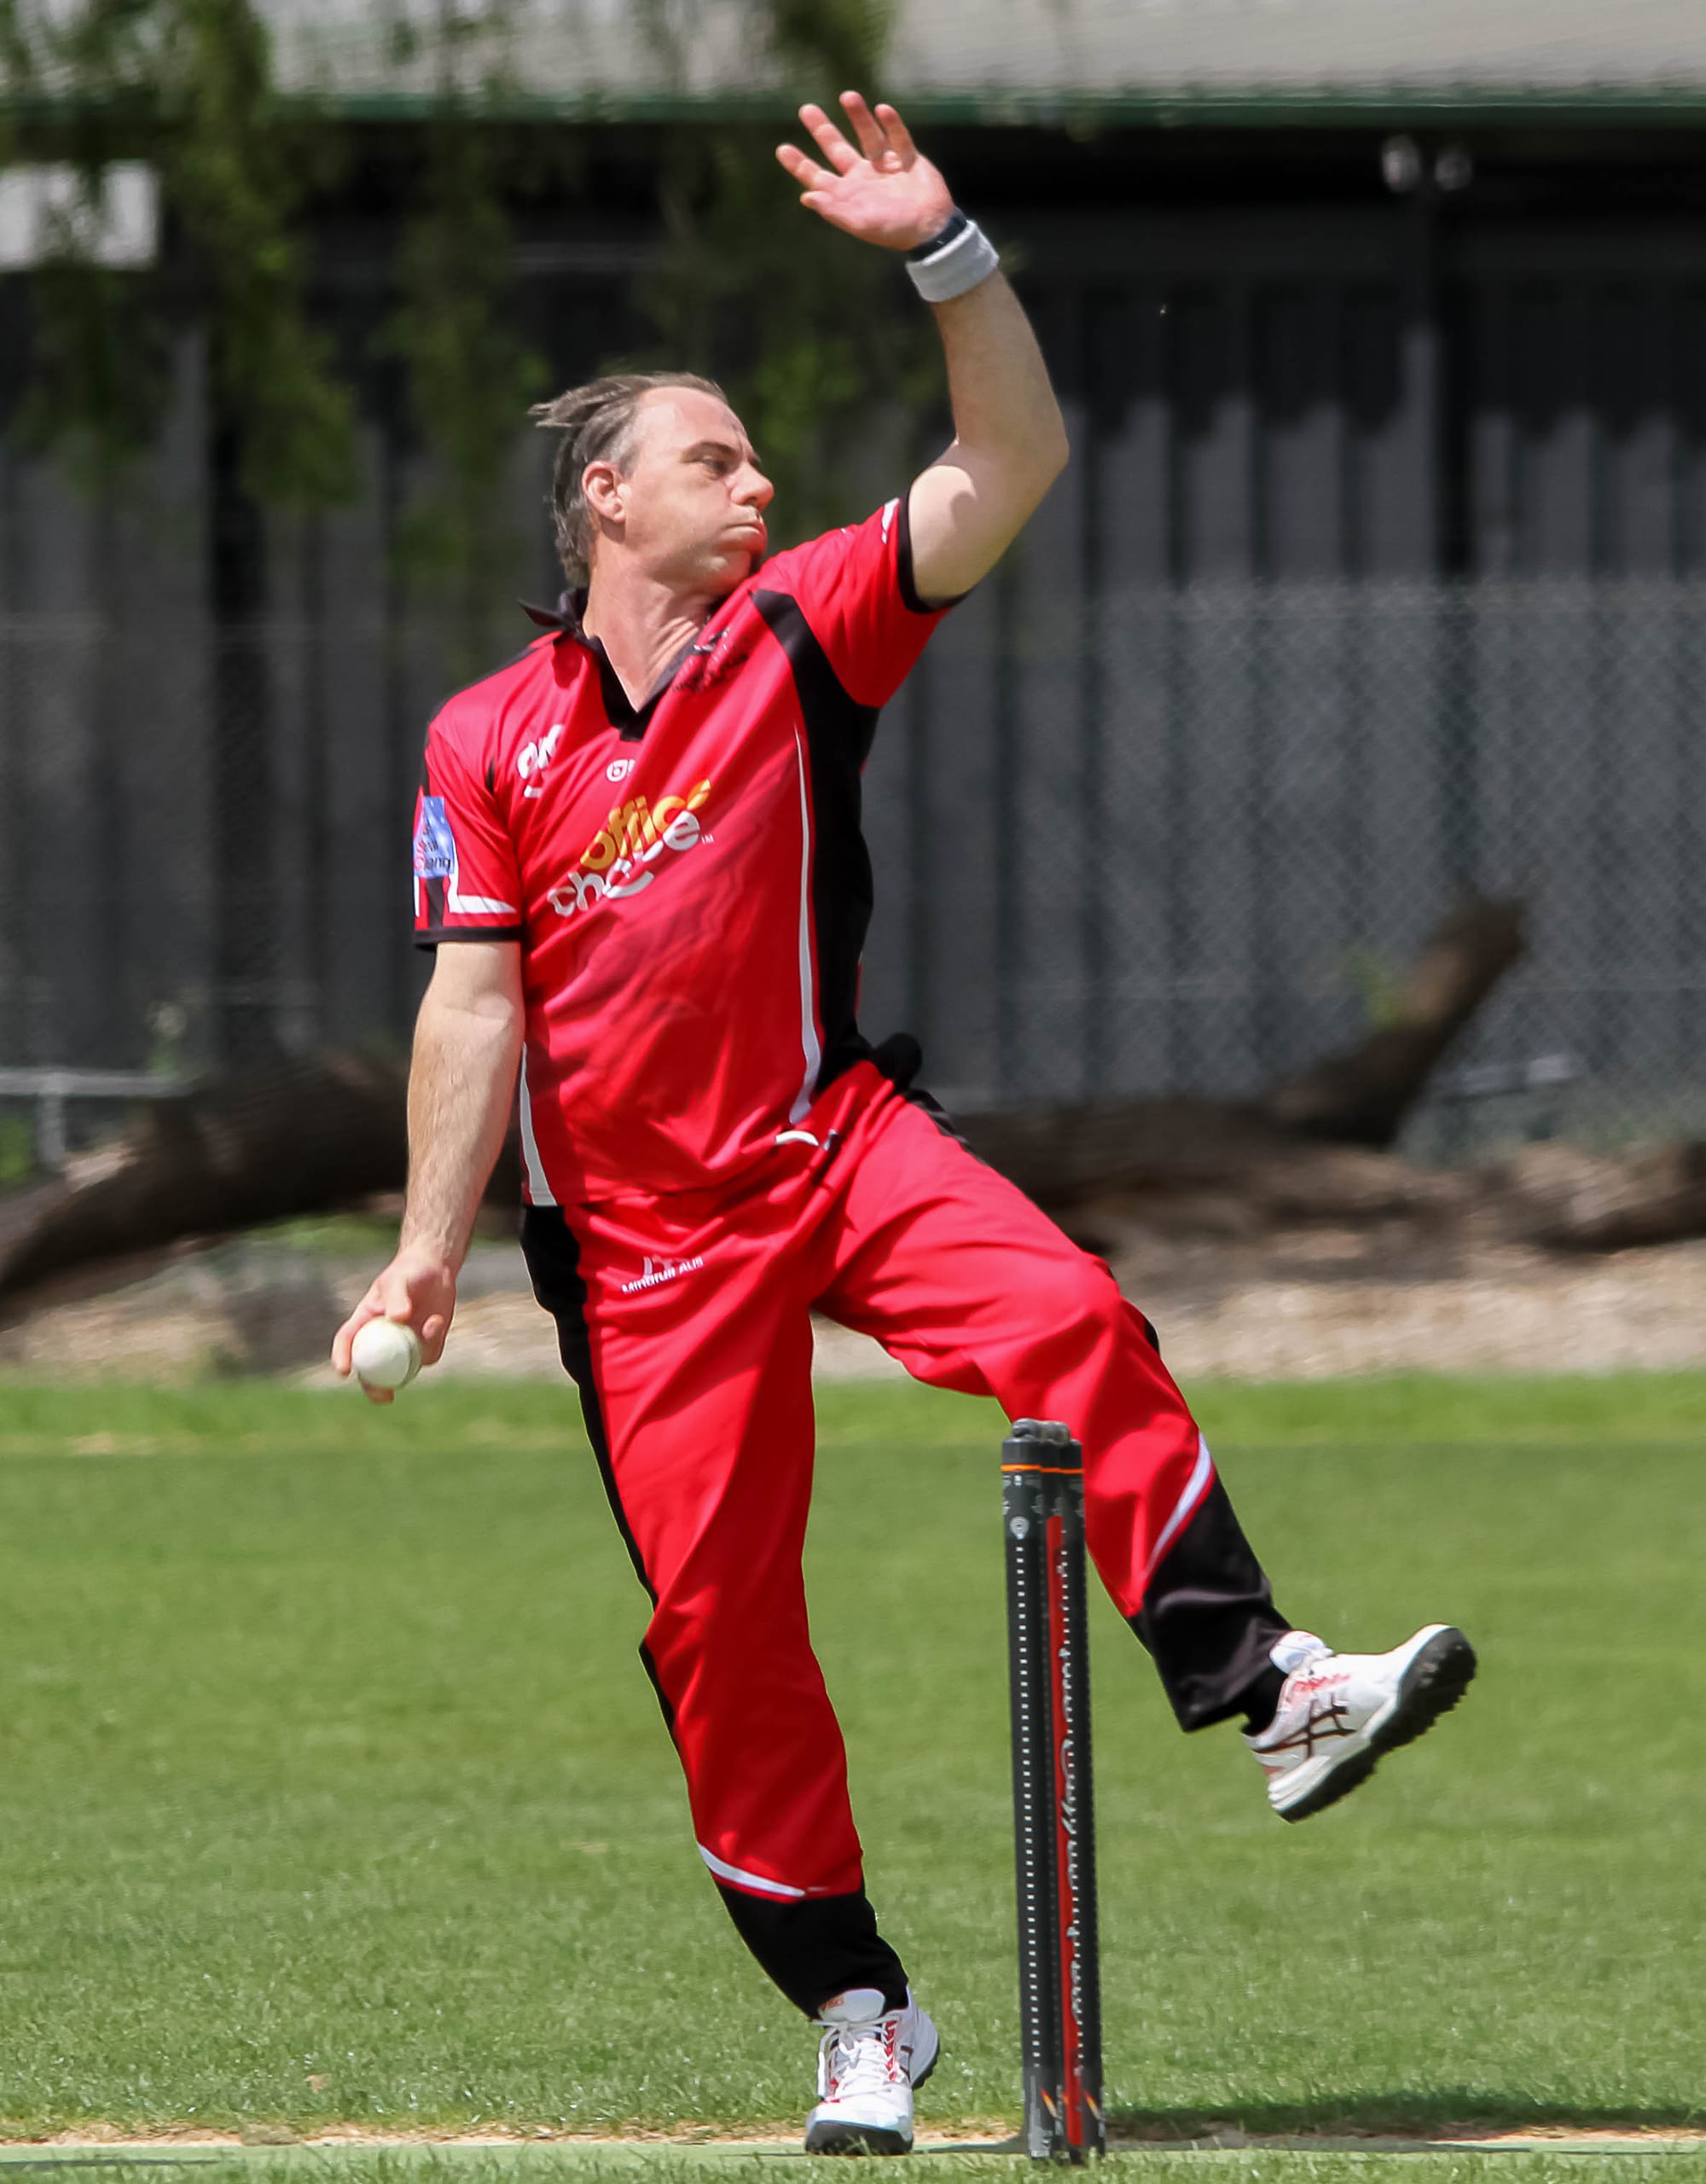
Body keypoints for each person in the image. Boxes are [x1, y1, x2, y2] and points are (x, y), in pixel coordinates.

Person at [333, 93, 1476, 2158]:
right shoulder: (482, 737)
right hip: (641, 1249)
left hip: (833, 1139)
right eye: (715, 457)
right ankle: (860, 2009)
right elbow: (472, 1000)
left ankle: (1275, 1687)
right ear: (605, 496)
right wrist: (424, 1249)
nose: (759, 479)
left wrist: (948, 253)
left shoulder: (803, 626)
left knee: (1066, 1313)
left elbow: (1006, 458)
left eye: (758, 459)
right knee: (720, 1632)